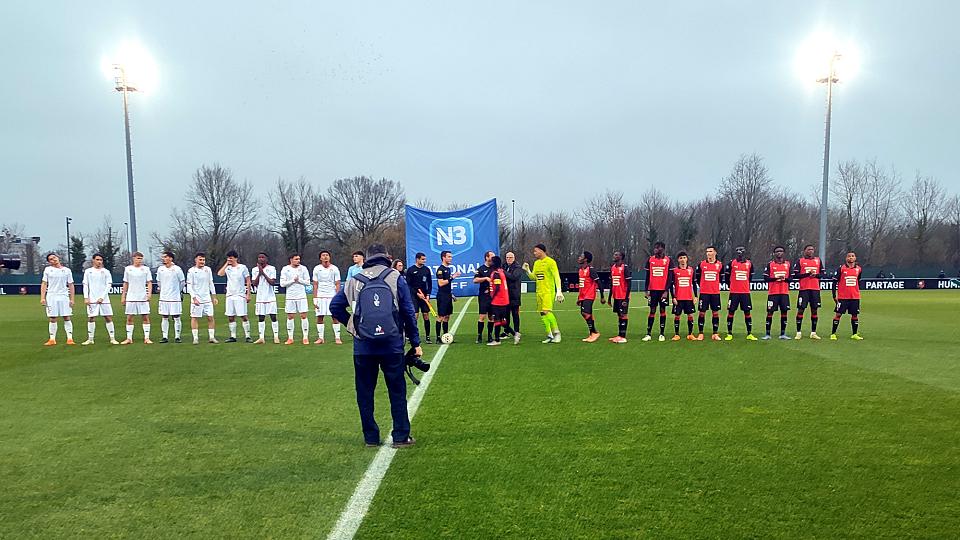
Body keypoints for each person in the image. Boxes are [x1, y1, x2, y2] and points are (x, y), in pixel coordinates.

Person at [329, 244, 421, 448]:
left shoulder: (354, 279)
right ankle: (400, 436)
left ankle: (371, 437)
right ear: (387, 257)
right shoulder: (396, 277)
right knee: (396, 390)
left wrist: (354, 326)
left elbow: (335, 306)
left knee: (365, 392)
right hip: (392, 344)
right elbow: (407, 311)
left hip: (363, 346)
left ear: (367, 258)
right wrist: (415, 342)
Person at [522, 243, 565, 343]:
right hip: (539, 292)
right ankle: (549, 335)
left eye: (535, 251)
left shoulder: (551, 262)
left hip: (548, 291)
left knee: (546, 311)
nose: (534, 253)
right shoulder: (537, 263)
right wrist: (527, 270)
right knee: (542, 313)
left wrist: (559, 291)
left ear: (541, 251)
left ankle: (557, 333)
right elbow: (534, 277)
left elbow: (556, 276)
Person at [81, 253, 118, 345]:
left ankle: (112, 338)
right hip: (92, 299)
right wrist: (86, 297)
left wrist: (102, 297)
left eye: (101, 260)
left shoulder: (106, 271)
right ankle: (90, 339)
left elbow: (108, 285)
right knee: (91, 317)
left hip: (104, 299)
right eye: (97, 260)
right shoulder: (88, 271)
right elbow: (85, 285)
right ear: (93, 260)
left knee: (108, 317)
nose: (99, 262)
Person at [40, 252, 75, 345]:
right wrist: (42, 298)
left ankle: (70, 338)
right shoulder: (48, 270)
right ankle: (52, 339)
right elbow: (44, 283)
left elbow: (71, 284)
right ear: (49, 262)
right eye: (51, 259)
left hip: (64, 296)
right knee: (53, 317)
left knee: (66, 316)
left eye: (54, 257)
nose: (54, 259)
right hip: (51, 296)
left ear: (58, 257)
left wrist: (72, 299)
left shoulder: (67, 270)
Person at [218, 250, 252, 343]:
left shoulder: (242, 267)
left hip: (240, 295)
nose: (230, 259)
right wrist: (226, 263)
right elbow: (220, 274)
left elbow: (248, 280)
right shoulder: (228, 268)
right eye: (228, 258)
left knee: (243, 316)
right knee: (230, 316)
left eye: (231, 258)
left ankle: (248, 336)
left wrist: (248, 293)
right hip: (230, 295)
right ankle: (233, 336)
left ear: (236, 258)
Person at [724, 246, 757, 341]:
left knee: (747, 312)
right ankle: (729, 333)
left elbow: (750, 277)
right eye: (738, 251)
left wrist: (745, 285)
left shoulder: (749, 264)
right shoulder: (731, 263)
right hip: (734, 292)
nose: (740, 253)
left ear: (744, 253)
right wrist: (730, 286)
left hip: (745, 292)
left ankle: (749, 333)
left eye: (741, 251)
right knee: (731, 312)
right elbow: (727, 277)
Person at [120, 251, 153, 345]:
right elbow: (125, 283)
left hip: (142, 297)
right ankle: (129, 338)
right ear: (133, 258)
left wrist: (149, 294)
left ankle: (147, 338)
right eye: (138, 258)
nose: (139, 260)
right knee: (130, 317)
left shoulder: (146, 269)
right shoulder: (128, 269)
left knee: (145, 317)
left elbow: (149, 282)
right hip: (131, 297)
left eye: (141, 258)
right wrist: (123, 296)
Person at [793, 244, 824, 340]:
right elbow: (795, 275)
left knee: (814, 310)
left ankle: (813, 332)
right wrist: (807, 274)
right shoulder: (800, 261)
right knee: (801, 309)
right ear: (804, 251)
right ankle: (798, 332)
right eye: (808, 249)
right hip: (804, 289)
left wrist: (816, 275)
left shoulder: (818, 261)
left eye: (812, 249)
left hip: (815, 289)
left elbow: (823, 274)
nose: (810, 251)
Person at [642, 241, 672, 342]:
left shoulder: (668, 260)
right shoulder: (650, 260)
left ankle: (662, 334)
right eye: (654, 248)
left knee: (662, 311)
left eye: (657, 248)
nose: (655, 250)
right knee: (652, 311)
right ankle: (648, 333)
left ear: (662, 249)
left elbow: (670, 277)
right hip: (653, 291)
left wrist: (666, 291)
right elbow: (647, 276)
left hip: (663, 291)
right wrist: (646, 290)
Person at [831, 250, 864, 340]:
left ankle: (854, 334)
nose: (851, 257)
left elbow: (858, 280)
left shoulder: (859, 269)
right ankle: (833, 334)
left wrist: (857, 291)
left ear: (855, 258)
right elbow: (834, 282)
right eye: (849, 256)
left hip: (855, 297)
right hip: (842, 297)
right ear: (846, 258)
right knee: (838, 314)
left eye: (852, 256)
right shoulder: (841, 269)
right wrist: (834, 295)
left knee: (855, 315)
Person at [312, 250, 343, 344]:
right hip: (321, 296)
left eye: (327, 255)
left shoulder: (335, 268)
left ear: (329, 257)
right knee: (320, 317)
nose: (325, 257)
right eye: (323, 255)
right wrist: (315, 299)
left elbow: (337, 284)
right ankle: (320, 338)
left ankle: (337, 338)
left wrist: (337, 297)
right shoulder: (317, 269)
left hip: (331, 296)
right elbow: (315, 284)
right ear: (320, 258)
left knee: (334, 317)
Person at [280, 253, 311, 345]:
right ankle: (290, 338)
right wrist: (292, 280)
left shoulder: (303, 268)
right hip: (290, 296)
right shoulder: (285, 269)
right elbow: (282, 284)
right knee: (290, 317)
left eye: (299, 259)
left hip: (301, 296)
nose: (298, 261)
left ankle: (305, 337)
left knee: (303, 316)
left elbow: (308, 282)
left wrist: (299, 280)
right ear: (291, 260)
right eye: (296, 259)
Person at [187, 252, 218, 344]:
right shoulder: (191, 271)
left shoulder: (208, 270)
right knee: (195, 317)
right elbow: (189, 286)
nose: (202, 261)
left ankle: (211, 337)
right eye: (200, 259)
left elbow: (210, 283)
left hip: (207, 299)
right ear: (196, 260)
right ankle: (195, 338)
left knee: (210, 317)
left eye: (203, 260)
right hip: (197, 299)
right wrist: (194, 298)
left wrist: (214, 296)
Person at [763, 246, 792, 340]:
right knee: (770, 312)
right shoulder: (770, 264)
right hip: (773, 293)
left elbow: (791, 279)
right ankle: (767, 334)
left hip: (784, 293)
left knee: (784, 312)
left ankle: (783, 334)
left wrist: (785, 279)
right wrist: (776, 278)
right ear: (774, 253)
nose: (779, 253)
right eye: (777, 251)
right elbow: (766, 278)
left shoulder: (788, 264)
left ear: (784, 253)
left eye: (781, 251)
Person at [156, 251, 186, 343]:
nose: (163, 259)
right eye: (163, 257)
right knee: (164, 316)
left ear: (170, 258)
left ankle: (177, 337)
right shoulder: (160, 269)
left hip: (174, 297)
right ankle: (165, 336)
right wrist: (161, 289)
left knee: (176, 316)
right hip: (164, 297)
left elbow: (182, 282)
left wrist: (178, 291)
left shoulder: (177, 269)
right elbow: (159, 282)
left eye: (165, 257)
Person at [695, 246, 724, 341]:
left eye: (710, 251)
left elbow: (721, 278)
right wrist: (703, 286)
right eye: (707, 251)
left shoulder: (719, 265)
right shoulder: (701, 264)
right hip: (704, 293)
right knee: (702, 313)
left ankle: (715, 333)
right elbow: (698, 278)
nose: (708, 253)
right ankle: (700, 333)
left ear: (715, 252)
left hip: (715, 293)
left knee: (715, 313)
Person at [251, 252, 280, 344]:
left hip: (270, 297)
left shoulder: (271, 268)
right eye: (259, 257)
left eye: (263, 257)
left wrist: (263, 273)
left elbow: (272, 282)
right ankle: (261, 337)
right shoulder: (254, 270)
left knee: (273, 316)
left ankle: (276, 336)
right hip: (260, 297)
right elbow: (254, 284)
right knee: (261, 317)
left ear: (266, 259)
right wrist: (259, 274)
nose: (260, 259)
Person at [576, 250, 604, 342]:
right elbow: (581, 285)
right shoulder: (580, 270)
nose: (579, 257)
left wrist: (602, 296)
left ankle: (594, 332)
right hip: (583, 296)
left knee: (586, 313)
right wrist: (579, 298)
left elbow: (599, 282)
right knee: (585, 314)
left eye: (581, 256)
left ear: (586, 259)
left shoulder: (591, 270)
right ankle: (592, 333)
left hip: (589, 295)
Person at [668, 251, 697, 341]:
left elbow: (694, 284)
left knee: (690, 315)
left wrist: (695, 296)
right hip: (678, 298)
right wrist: (673, 297)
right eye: (681, 258)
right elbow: (671, 285)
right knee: (677, 316)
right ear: (678, 260)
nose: (683, 260)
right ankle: (676, 334)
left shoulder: (691, 270)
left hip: (688, 298)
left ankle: (690, 334)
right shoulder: (675, 271)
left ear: (687, 259)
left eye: (684, 258)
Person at [406, 252, 434, 344]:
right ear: (417, 259)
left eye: (424, 259)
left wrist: (428, 294)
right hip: (414, 296)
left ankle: (428, 337)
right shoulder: (410, 270)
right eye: (422, 259)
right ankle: (413, 336)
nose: (424, 261)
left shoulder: (426, 270)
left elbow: (429, 283)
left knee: (426, 315)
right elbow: (408, 285)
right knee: (415, 316)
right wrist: (417, 294)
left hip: (424, 296)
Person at [434, 250, 462, 340]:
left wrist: (451, 294)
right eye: (449, 256)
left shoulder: (448, 269)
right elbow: (441, 283)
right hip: (442, 296)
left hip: (448, 295)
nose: (451, 258)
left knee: (447, 316)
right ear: (443, 257)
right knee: (441, 316)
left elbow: (447, 284)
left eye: (451, 256)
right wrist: (452, 277)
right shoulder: (440, 270)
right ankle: (438, 337)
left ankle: (445, 336)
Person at [608, 249, 632, 344]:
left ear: (621, 257)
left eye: (616, 254)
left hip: (623, 296)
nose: (614, 255)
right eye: (614, 254)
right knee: (619, 315)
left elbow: (629, 284)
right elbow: (612, 284)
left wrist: (626, 298)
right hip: (616, 296)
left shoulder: (625, 268)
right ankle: (619, 335)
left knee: (623, 314)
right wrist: (610, 297)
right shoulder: (613, 267)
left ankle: (623, 336)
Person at [487, 255, 512, 345]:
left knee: (497, 320)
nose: (490, 263)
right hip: (504, 299)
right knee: (502, 320)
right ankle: (515, 334)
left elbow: (497, 287)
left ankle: (497, 340)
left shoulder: (496, 274)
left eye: (491, 261)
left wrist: (492, 297)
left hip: (498, 300)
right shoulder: (500, 271)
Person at [473, 250, 496, 343]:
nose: (493, 258)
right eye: (492, 256)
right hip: (484, 296)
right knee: (482, 316)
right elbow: (475, 280)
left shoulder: (495, 268)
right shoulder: (481, 269)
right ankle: (479, 336)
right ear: (487, 257)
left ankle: (490, 335)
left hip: (493, 296)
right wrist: (485, 278)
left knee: (491, 317)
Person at [503, 251, 523, 343]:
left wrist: (503, 272)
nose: (508, 259)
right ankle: (506, 331)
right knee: (505, 314)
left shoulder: (518, 267)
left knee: (515, 314)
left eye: (510, 257)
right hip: (505, 294)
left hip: (514, 294)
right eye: (507, 257)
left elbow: (513, 277)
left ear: (514, 258)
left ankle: (517, 331)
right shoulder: (504, 266)